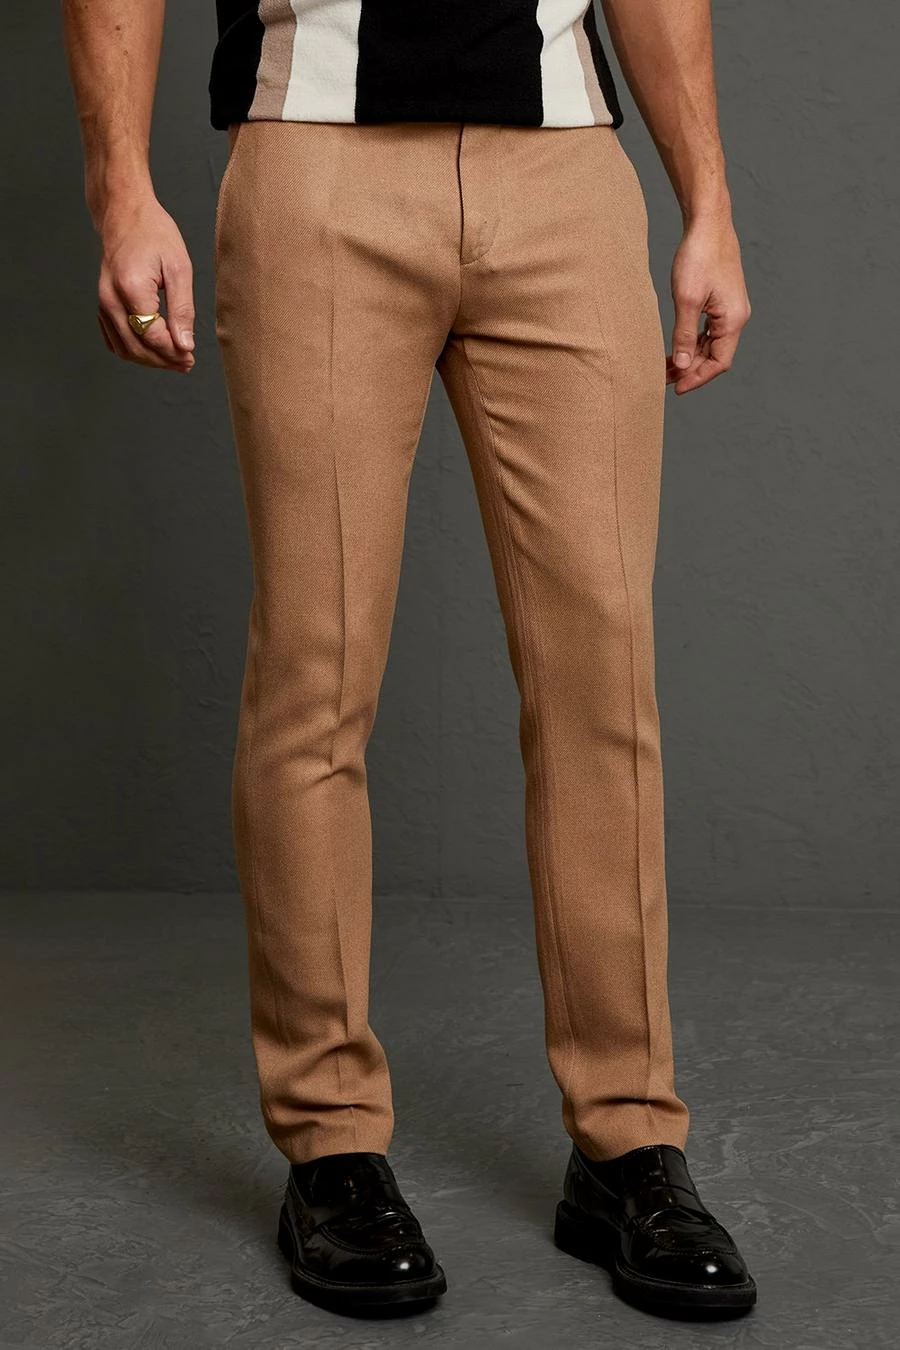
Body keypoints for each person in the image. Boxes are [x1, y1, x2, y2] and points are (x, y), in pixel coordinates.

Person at [63, 0, 755, 1323]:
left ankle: (628, 1143)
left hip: (565, 173)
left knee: (602, 680)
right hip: (317, 159)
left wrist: (708, 201)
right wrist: (122, 189)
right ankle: (329, 1142)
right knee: (315, 676)